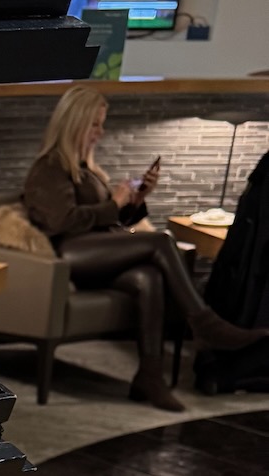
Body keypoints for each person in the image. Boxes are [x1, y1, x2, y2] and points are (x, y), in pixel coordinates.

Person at [23, 83, 257, 410]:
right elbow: (60, 222)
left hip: (95, 249)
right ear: (75, 122)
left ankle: (150, 376)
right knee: (161, 241)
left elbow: (104, 220)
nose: (100, 132)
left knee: (148, 277)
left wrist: (135, 201)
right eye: (95, 124)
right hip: (69, 254)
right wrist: (114, 203)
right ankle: (204, 324)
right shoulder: (49, 167)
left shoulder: (88, 170)